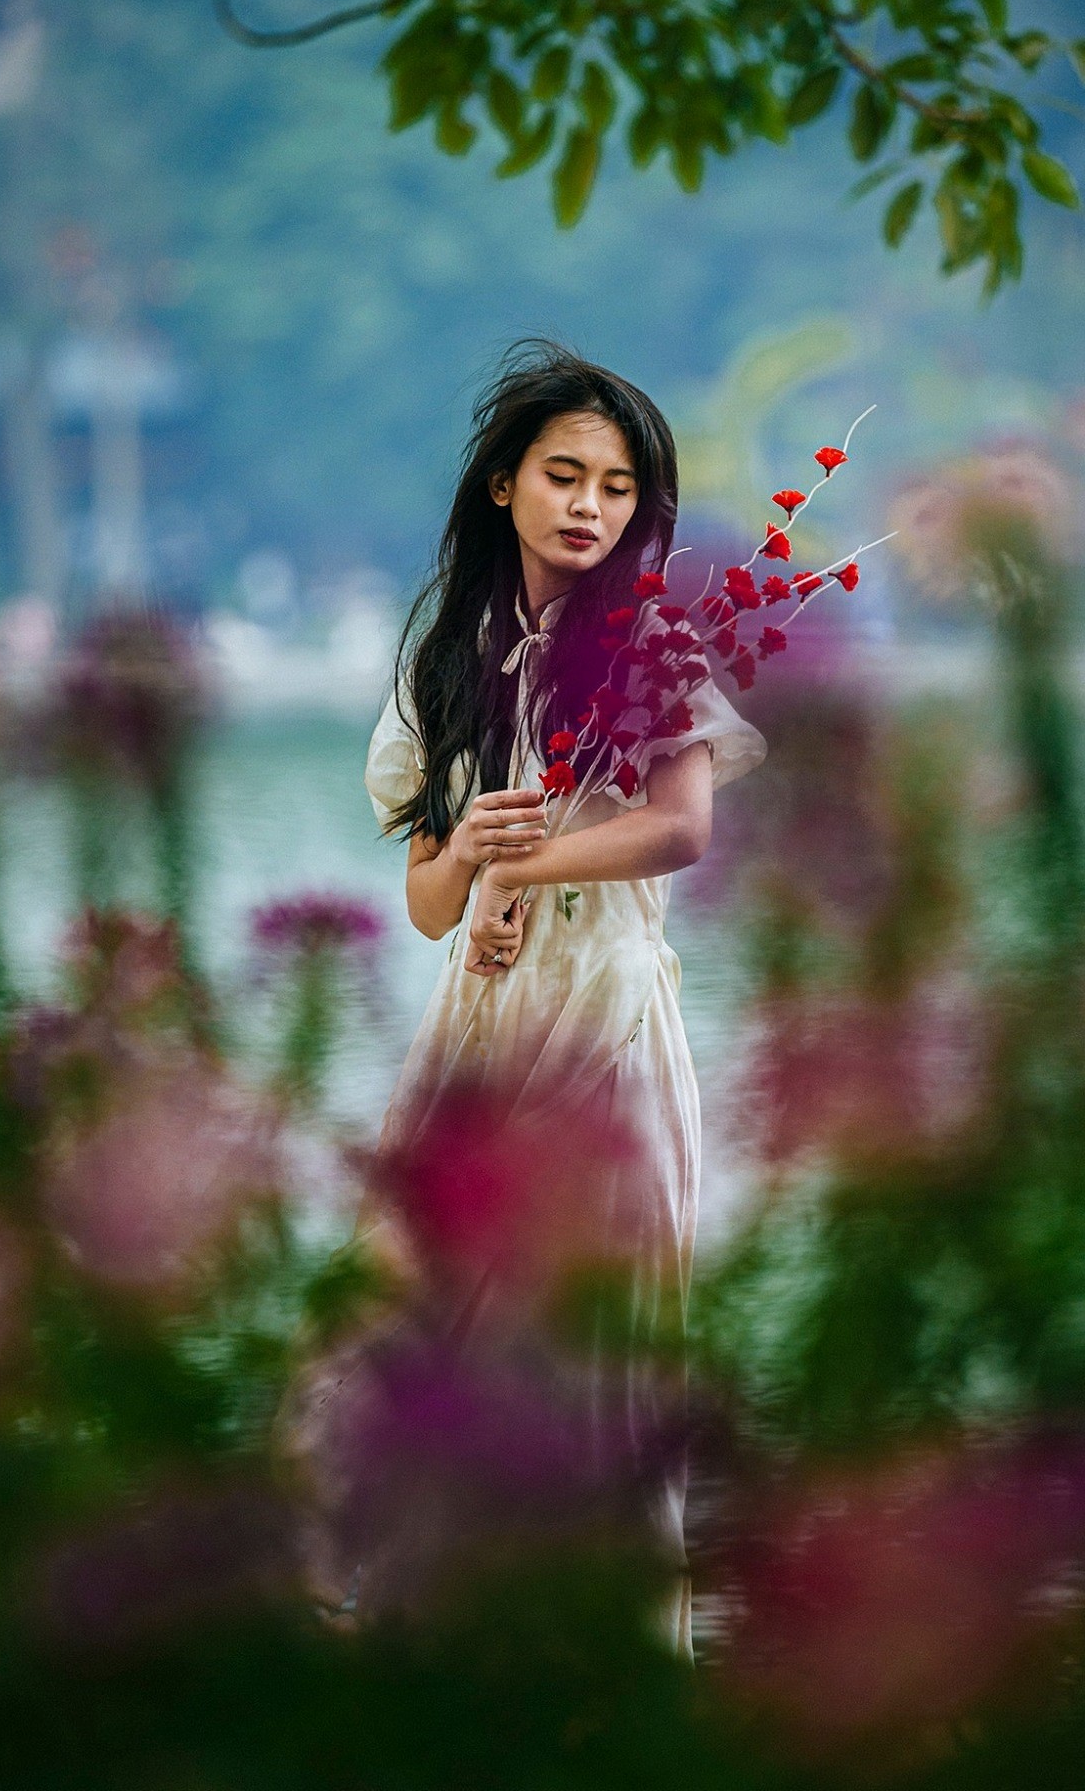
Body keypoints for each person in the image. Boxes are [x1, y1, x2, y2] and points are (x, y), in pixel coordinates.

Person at [298, 340, 766, 1648]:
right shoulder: (442, 661)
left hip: (606, 1013)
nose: (589, 508)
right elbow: (430, 903)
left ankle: (608, 1641)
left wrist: (532, 860)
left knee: (593, 1326)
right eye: (564, 476)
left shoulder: (647, 643)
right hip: (484, 1020)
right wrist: (473, 859)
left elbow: (681, 831)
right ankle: (439, 1630)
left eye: (618, 491)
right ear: (502, 485)